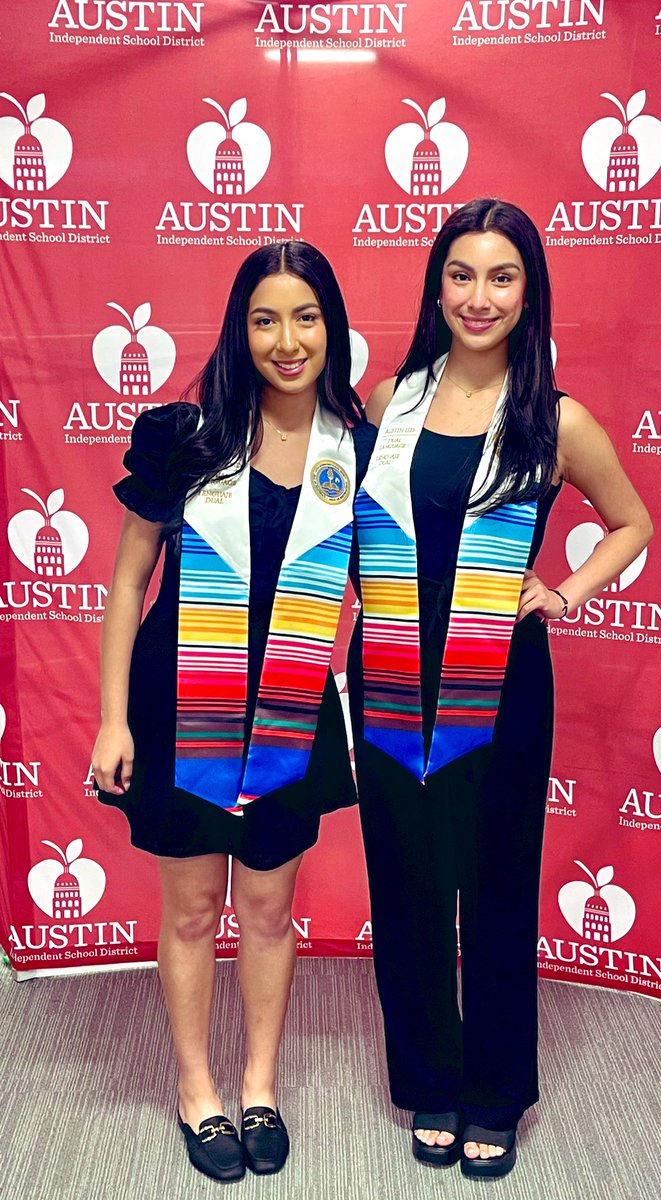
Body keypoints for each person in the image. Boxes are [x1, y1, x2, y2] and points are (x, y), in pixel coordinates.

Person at [355, 198, 653, 1179]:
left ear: (529, 293)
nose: (478, 297)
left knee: (491, 889)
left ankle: (493, 1093)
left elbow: (631, 523)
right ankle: (429, 1081)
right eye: (461, 274)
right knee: (405, 882)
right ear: (436, 284)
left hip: (504, 679)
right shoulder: (391, 399)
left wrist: (560, 593)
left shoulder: (553, 416)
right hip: (396, 667)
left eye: (501, 277)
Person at [92, 242, 374, 1182]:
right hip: (179, 706)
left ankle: (260, 1086)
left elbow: (387, 585)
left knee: (266, 907)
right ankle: (196, 1089)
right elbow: (131, 577)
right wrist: (111, 718)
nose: (285, 341)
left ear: (330, 326)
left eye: (304, 317)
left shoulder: (359, 446)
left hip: (292, 706)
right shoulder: (186, 434)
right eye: (264, 320)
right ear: (238, 328)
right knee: (189, 912)